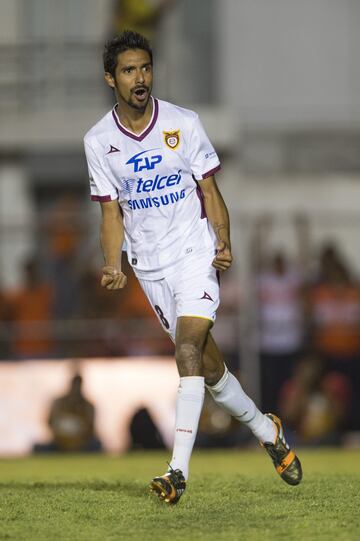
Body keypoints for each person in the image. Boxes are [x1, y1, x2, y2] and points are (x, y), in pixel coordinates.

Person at [83, 30, 302, 504]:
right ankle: (267, 430)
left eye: (144, 68)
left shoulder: (183, 122)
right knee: (211, 371)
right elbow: (109, 211)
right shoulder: (99, 141)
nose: (139, 78)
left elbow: (209, 191)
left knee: (186, 350)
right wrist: (112, 262)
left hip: (194, 255)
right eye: (128, 70)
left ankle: (177, 472)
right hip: (149, 268)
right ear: (110, 79)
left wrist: (223, 239)